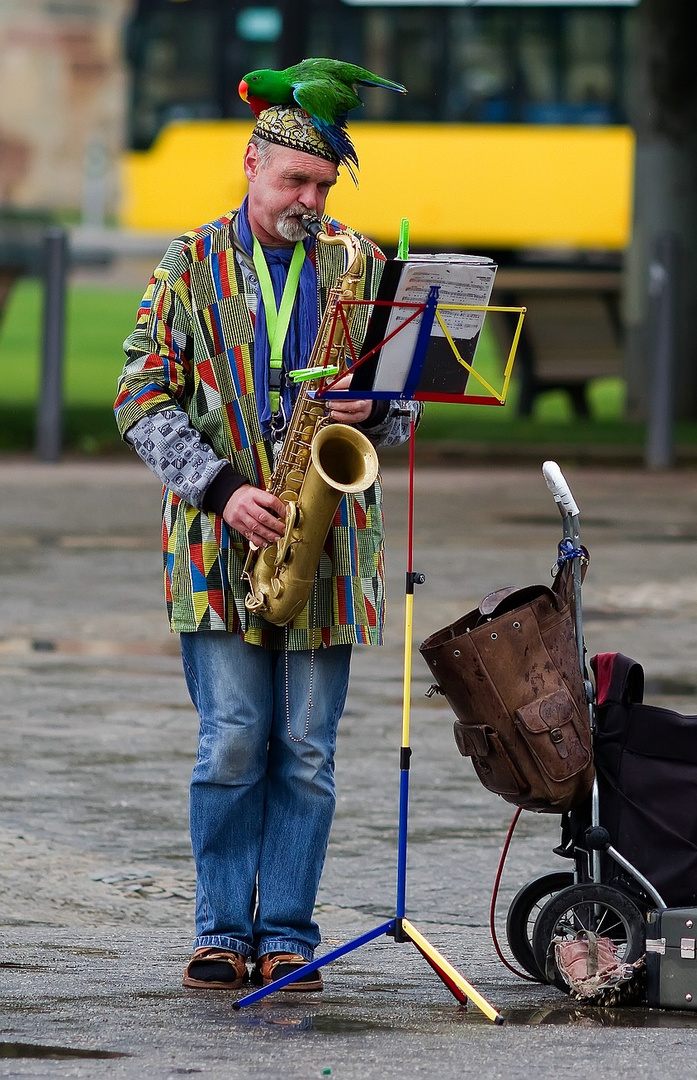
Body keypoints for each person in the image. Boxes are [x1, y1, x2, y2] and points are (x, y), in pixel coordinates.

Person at [114, 99, 417, 991]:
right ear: (250, 163)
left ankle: (286, 931)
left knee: (309, 748)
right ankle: (221, 930)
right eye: (296, 180)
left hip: (332, 549)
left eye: (324, 184)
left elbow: (409, 401)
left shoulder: (361, 263)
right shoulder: (189, 262)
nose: (311, 199)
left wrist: (382, 407)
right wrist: (221, 489)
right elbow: (139, 395)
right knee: (235, 740)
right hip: (218, 542)